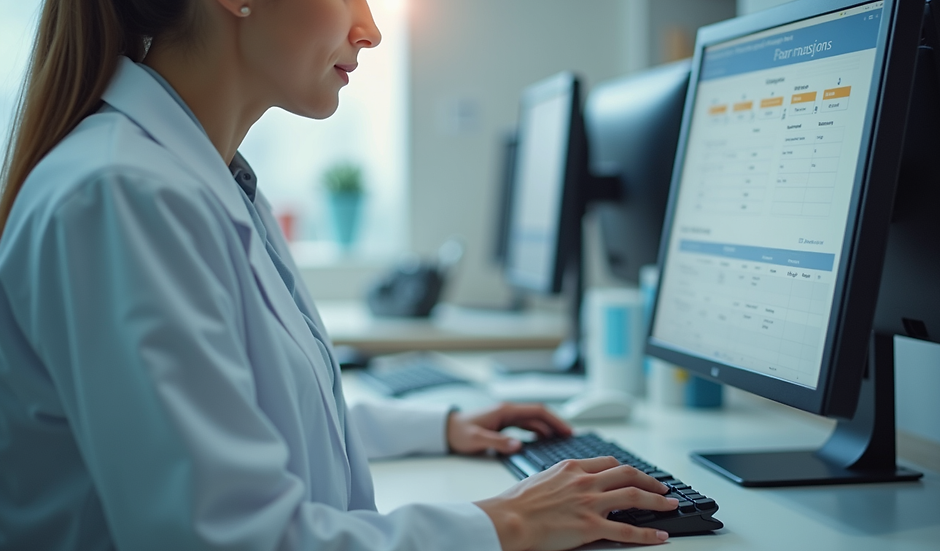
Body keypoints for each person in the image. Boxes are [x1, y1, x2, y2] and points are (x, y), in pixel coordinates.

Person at [0, 1, 679, 549]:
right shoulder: (124, 196)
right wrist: (508, 521)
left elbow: (254, 409)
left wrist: (434, 425)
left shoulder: (205, 180)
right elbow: (233, 537)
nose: (373, 28)